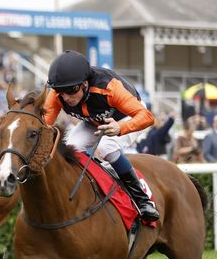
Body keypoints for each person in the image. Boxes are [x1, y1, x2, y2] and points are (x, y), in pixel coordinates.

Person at [43, 50, 158, 221]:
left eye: (71, 90)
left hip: (127, 118)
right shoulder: (58, 94)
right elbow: (44, 124)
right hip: (94, 121)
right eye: (61, 91)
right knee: (70, 149)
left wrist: (120, 127)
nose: (66, 97)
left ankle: (142, 200)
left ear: (85, 83)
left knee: (106, 146)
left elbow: (148, 117)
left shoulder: (109, 87)